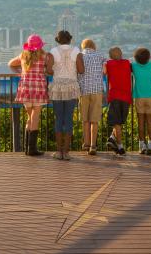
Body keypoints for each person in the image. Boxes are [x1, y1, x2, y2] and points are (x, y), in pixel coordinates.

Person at [8, 34, 51, 156]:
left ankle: (28, 148)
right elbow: (49, 69)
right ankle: (32, 149)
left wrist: (20, 72)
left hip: (26, 88)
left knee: (29, 117)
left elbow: (10, 63)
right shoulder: (44, 56)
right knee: (35, 117)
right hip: (38, 89)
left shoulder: (23, 55)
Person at [48, 30, 84, 160]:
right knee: (68, 118)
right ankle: (67, 151)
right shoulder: (76, 51)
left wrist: (58, 72)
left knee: (59, 118)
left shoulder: (53, 51)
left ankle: (58, 151)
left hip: (57, 86)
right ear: (70, 39)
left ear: (58, 40)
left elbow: (48, 70)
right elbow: (81, 70)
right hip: (71, 86)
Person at [77, 39, 106, 155]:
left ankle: (86, 143)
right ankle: (93, 146)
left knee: (85, 119)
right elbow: (105, 69)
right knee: (94, 120)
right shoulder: (100, 56)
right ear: (94, 46)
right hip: (97, 90)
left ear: (83, 46)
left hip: (83, 91)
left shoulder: (80, 56)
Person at [103, 46, 132, 156]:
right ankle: (112, 138)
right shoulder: (126, 63)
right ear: (121, 54)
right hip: (126, 97)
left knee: (116, 123)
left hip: (115, 96)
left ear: (110, 56)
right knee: (119, 123)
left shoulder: (109, 64)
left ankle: (120, 146)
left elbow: (103, 72)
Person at [132, 47, 151, 155]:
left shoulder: (134, 66)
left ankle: (142, 145)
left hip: (139, 97)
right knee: (149, 121)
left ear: (136, 58)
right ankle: (150, 144)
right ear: (148, 57)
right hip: (150, 96)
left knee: (140, 121)